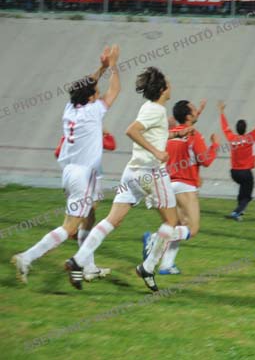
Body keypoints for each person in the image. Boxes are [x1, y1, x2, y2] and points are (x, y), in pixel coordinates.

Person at [65, 67, 193, 292]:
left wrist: (175, 134)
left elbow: (152, 133)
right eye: (168, 84)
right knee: (171, 222)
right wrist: (157, 152)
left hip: (132, 171)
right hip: (151, 173)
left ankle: (78, 259)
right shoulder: (157, 110)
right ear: (162, 90)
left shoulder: (149, 108)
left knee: (112, 220)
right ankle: (148, 267)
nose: (171, 87)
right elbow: (132, 131)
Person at [11, 46, 120, 283]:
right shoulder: (93, 112)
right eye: (95, 92)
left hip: (71, 172)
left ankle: (88, 267)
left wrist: (101, 67)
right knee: (69, 228)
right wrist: (112, 65)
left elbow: (86, 86)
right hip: (84, 175)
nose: (98, 93)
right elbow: (115, 90)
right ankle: (27, 257)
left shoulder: (70, 109)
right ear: (90, 98)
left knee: (90, 213)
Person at [148, 100, 219, 275]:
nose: (196, 112)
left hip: (168, 184)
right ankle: (155, 238)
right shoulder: (193, 134)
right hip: (185, 186)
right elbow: (205, 160)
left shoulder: (170, 135)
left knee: (178, 225)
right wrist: (215, 145)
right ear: (188, 116)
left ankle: (166, 265)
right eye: (194, 110)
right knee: (192, 229)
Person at [53, 127, 118, 281]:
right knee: (87, 220)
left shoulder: (70, 133)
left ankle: (88, 265)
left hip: (70, 177)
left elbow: (58, 152)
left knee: (85, 219)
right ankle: (85, 266)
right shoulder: (91, 133)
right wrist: (104, 131)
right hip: (90, 178)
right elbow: (111, 145)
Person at [220, 101, 255, 220]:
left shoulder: (232, 138)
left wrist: (222, 112)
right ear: (245, 128)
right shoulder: (251, 137)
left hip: (234, 172)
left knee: (242, 190)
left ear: (237, 129)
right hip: (246, 173)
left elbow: (225, 128)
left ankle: (240, 212)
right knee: (247, 196)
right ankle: (236, 212)